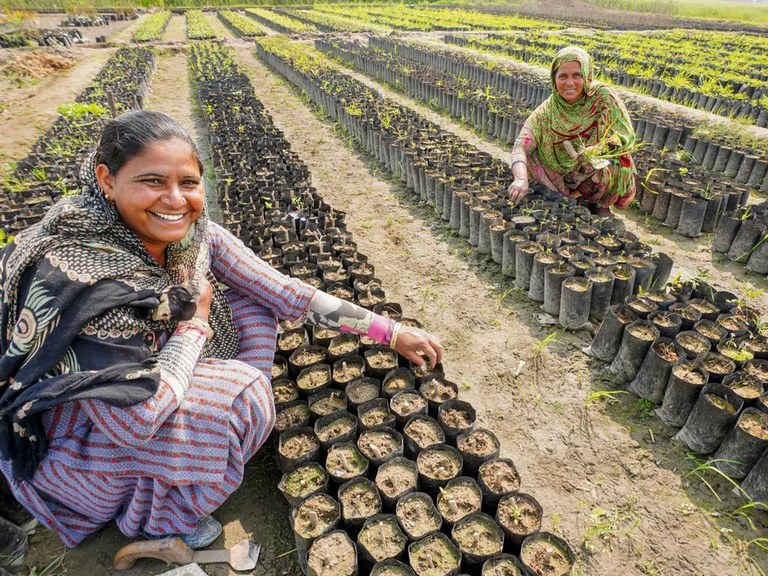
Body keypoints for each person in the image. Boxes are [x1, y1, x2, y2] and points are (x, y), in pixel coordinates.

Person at [0, 111, 443, 549]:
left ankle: (206, 446)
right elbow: (136, 421)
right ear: (107, 180)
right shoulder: (84, 275)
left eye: (188, 183)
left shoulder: (192, 236)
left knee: (254, 303)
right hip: (85, 442)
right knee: (243, 396)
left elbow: (287, 292)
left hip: (153, 377)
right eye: (152, 181)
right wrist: (194, 326)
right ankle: (157, 516)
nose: (175, 200)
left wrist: (390, 331)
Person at [507, 46, 637, 217]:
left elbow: (625, 136)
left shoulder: (602, 97)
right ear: (554, 80)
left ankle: (602, 204)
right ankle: (567, 198)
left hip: (594, 170)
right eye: (563, 76)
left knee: (620, 159)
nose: (569, 83)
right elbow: (520, 146)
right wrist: (521, 179)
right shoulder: (547, 111)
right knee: (530, 156)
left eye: (577, 75)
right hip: (562, 176)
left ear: (587, 75)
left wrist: (597, 151)